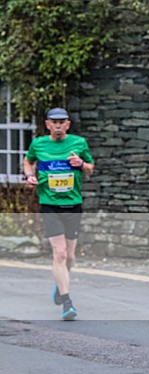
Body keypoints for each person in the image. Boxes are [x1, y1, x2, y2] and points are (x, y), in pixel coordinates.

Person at [24, 107, 95, 321]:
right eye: (53, 122)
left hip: (73, 204)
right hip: (50, 205)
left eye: (61, 122)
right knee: (60, 253)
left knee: (70, 257)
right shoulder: (38, 144)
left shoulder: (79, 143)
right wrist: (29, 176)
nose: (57, 125)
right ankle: (67, 302)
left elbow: (91, 168)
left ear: (67, 124)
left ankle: (60, 281)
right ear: (47, 124)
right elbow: (29, 161)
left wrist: (81, 164)